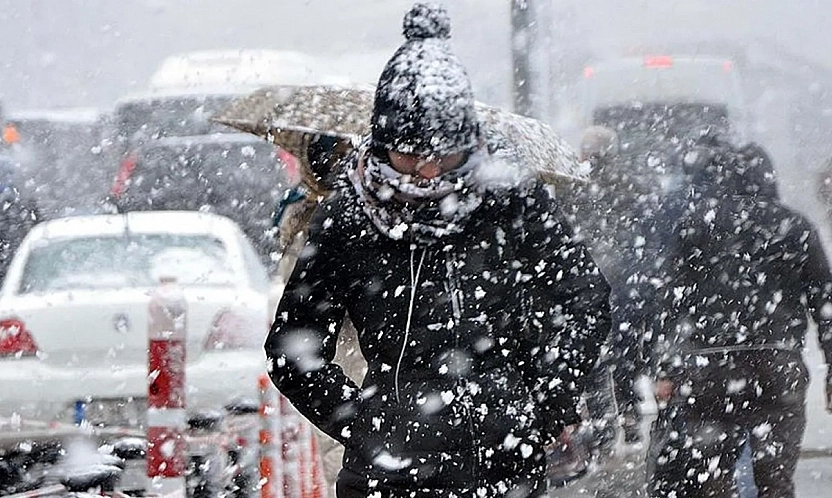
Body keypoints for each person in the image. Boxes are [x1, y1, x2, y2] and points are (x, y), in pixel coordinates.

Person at [264, 3, 612, 497]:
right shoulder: (348, 217)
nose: (426, 173)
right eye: (409, 156)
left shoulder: (510, 201)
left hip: (506, 467)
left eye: (443, 156)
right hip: (389, 476)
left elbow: (584, 298)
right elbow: (291, 349)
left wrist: (546, 402)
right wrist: (367, 425)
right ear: (381, 146)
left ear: (469, 144)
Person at [646, 134, 832, 498]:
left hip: (708, 367)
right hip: (777, 362)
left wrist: (666, 368)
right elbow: (825, 300)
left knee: (711, 475)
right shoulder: (793, 226)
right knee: (774, 478)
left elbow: (668, 301)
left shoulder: (695, 225)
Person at [570, 126, 648, 450]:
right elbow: (641, 226)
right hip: (622, 278)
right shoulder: (629, 181)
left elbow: (569, 226)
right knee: (625, 349)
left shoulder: (574, 183)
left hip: (590, 278)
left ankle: (604, 428)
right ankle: (629, 414)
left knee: (596, 355)